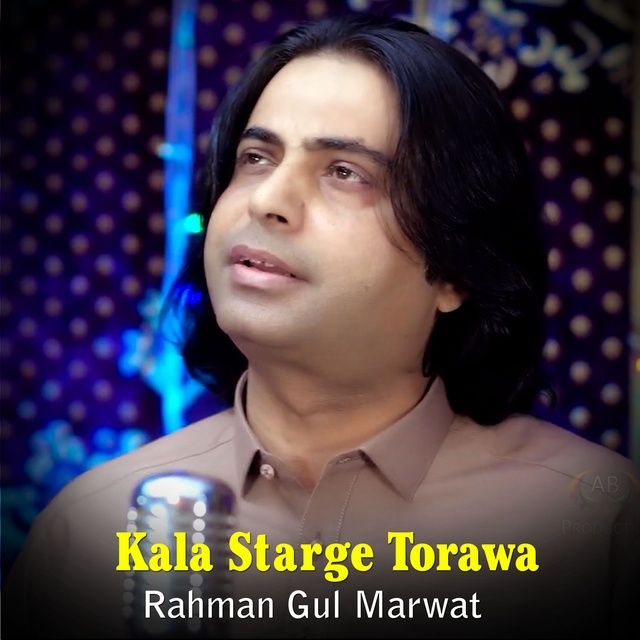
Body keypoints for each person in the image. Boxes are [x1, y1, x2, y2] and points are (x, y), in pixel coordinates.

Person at [3, 14, 639, 639]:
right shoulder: (88, 533)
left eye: (344, 172)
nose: (267, 200)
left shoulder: (595, 529)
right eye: (255, 158)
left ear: (455, 272)